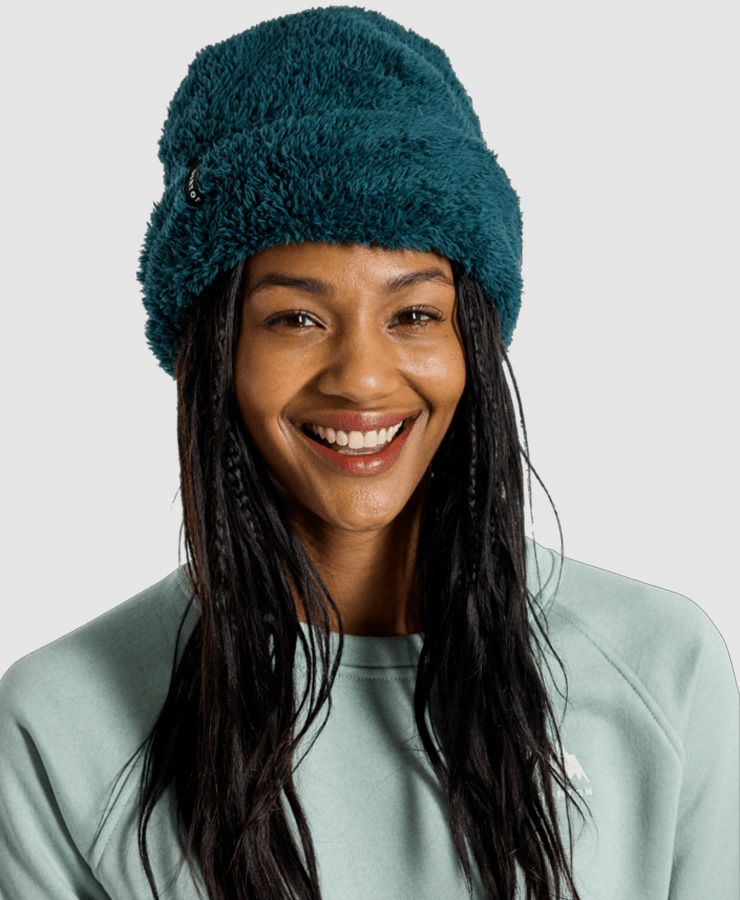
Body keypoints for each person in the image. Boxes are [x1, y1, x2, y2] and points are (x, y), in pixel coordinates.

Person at [0, 7, 737, 900]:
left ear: (471, 340)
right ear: (216, 351)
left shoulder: (663, 667)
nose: (362, 377)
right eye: (296, 318)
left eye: (414, 314)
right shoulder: (60, 724)